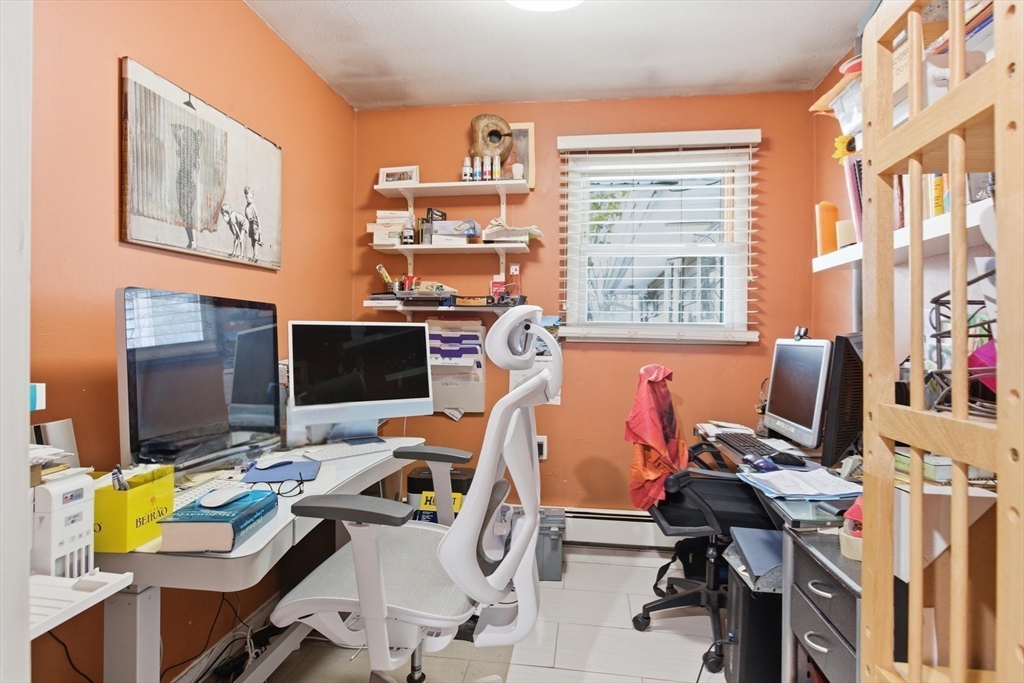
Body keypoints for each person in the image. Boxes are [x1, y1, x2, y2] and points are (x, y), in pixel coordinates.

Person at [243, 186, 263, 262]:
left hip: (255, 226)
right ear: (246, 197)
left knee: (255, 242)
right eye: (250, 197)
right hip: (251, 226)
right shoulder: (246, 207)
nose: (251, 199)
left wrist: (260, 228)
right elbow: (247, 218)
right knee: (253, 242)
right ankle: (254, 255)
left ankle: (256, 256)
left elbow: (258, 216)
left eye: (252, 197)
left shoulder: (253, 206)